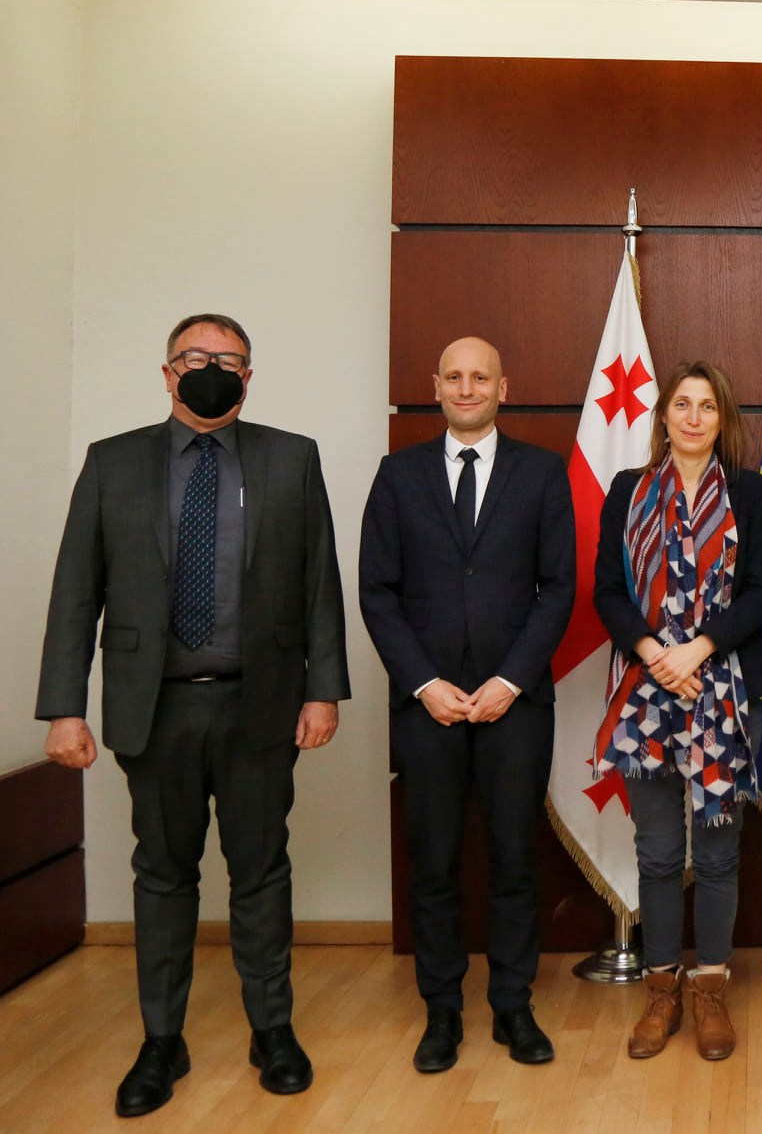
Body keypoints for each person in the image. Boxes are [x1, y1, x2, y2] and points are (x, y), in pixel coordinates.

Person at [36, 314, 349, 1118]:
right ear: (168, 371)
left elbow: (319, 581)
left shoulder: (292, 457)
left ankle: (271, 1031)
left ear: (250, 376)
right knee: (163, 873)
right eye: (196, 356)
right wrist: (64, 707)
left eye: (229, 359)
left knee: (262, 871)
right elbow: (75, 590)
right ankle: (160, 1040)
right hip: (155, 705)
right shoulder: (112, 462)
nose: (212, 368)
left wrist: (323, 690)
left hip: (260, 703)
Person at [357, 336, 574, 1072]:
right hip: (429, 705)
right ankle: (442, 1011)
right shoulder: (398, 475)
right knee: (434, 861)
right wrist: (424, 682)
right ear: (435, 386)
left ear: (502, 388)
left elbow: (559, 588)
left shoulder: (542, 473)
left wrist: (511, 680)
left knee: (515, 858)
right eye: (454, 376)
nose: (467, 387)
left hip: (517, 702)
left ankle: (513, 1005)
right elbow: (377, 590)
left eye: (481, 376)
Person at [592, 360, 762, 1062]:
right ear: (663, 415)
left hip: (723, 689)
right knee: (660, 852)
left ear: (722, 419)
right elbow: (607, 590)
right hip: (645, 690)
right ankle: (661, 990)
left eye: (707, 406)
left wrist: (696, 649)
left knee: (720, 854)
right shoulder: (628, 490)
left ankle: (710, 990)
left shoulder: (750, 494)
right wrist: (654, 654)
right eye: (682, 404)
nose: (694, 417)